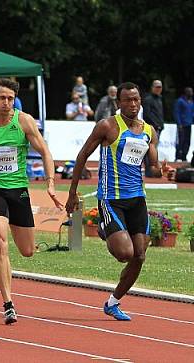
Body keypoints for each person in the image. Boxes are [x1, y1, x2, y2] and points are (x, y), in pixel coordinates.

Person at [65, 82, 172, 321]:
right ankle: (105, 228)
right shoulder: (107, 126)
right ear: (118, 103)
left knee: (140, 256)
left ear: (140, 101)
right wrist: (72, 193)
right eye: (127, 100)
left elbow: (152, 168)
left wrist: (165, 170)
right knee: (124, 253)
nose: (132, 104)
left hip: (137, 200)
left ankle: (113, 302)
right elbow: (82, 156)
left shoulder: (149, 130)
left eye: (136, 100)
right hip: (111, 200)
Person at [0, 78, 62, 325]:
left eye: (10, 98)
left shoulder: (24, 121)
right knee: (0, 240)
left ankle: (10, 290)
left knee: (27, 251)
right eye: (2, 98)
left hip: (18, 190)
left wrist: (50, 181)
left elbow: (46, 152)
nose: (6, 103)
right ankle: (8, 303)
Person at [174, 87, 193, 162]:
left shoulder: (191, 102)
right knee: (181, 141)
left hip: (189, 124)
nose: (191, 93)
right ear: (186, 92)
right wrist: (179, 123)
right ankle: (178, 156)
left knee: (187, 141)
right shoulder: (180, 101)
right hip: (182, 124)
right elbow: (176, 112)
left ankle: (184, 156)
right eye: (190, 92)